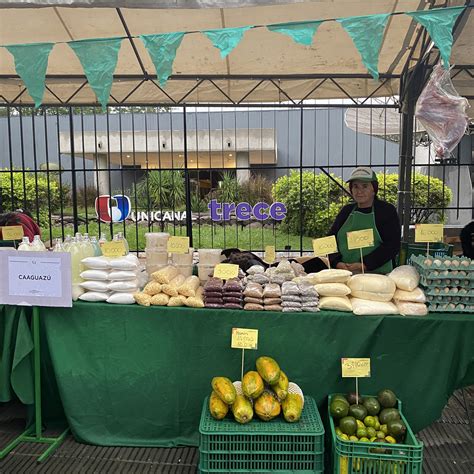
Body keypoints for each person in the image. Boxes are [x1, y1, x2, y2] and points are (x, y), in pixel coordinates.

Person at [328, 167, 401, 274]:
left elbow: (392, 245)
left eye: (365, 186)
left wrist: (366, 264)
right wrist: (336, 262)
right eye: (355, 186)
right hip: (344, 273)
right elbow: (330, 239)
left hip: (377, 274)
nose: (359, 191)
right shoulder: (346, 211)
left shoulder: (386, 211)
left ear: (374, 189)